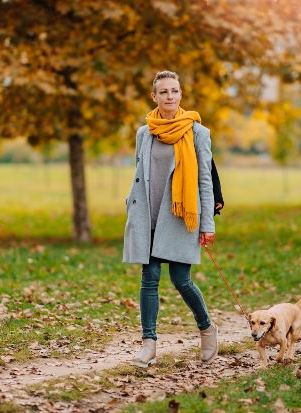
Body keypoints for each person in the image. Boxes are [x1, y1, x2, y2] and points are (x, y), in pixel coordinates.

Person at [123, 70, 217, 368]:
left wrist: (207, 224)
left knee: (181, 279)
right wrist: (130, 205)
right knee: (148, 279)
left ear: (181, 94)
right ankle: (148, 345)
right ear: (154, 96)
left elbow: (204, 180)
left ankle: (207, 328)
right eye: (163, 92)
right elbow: (140, 174)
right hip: (147, 214)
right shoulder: (144, 132)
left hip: (179, 215)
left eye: (174, 91)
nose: (170, 97)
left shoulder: (197, 132)